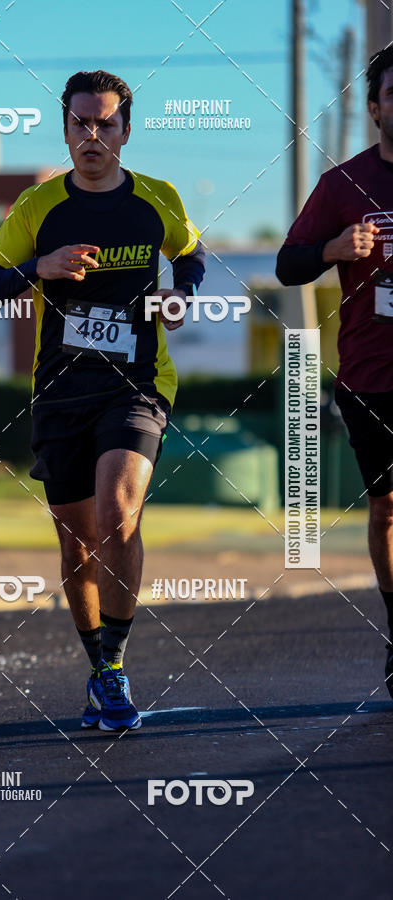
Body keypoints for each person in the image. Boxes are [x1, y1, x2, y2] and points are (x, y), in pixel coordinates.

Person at [0, 69, 205, 730]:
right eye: (80, 122)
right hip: (60, 392)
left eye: (105, 124)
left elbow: (190, 255)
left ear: (126, 132)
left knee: (117, 514)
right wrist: (37, 269)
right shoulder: (38, 207)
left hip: (137, 384)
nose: (92, 135)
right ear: (66, 128)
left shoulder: (157, 197)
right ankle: (100, 669)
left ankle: (117, 662)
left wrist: (181, 293)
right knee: (77, 545)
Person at [276, 46, 393, 698]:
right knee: (387, 508)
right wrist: (333, 248)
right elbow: (288, 264)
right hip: (371, 375)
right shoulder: (344, 184)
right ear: (375, 107)